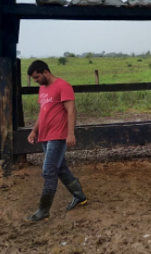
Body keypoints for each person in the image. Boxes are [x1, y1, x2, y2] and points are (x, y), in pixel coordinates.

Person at [25, 60, 88, 222]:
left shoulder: (63, 86)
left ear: (45, 72)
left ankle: (43, 211)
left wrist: (71, 133)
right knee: (59, 168)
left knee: (48, 171)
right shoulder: (42, 89)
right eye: (33, 78)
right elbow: (43, 112)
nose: (36, 80)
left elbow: (71, 110)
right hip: (45, 135)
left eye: (37, 77)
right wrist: (34, 131)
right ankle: (79, 196)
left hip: (58, 135)